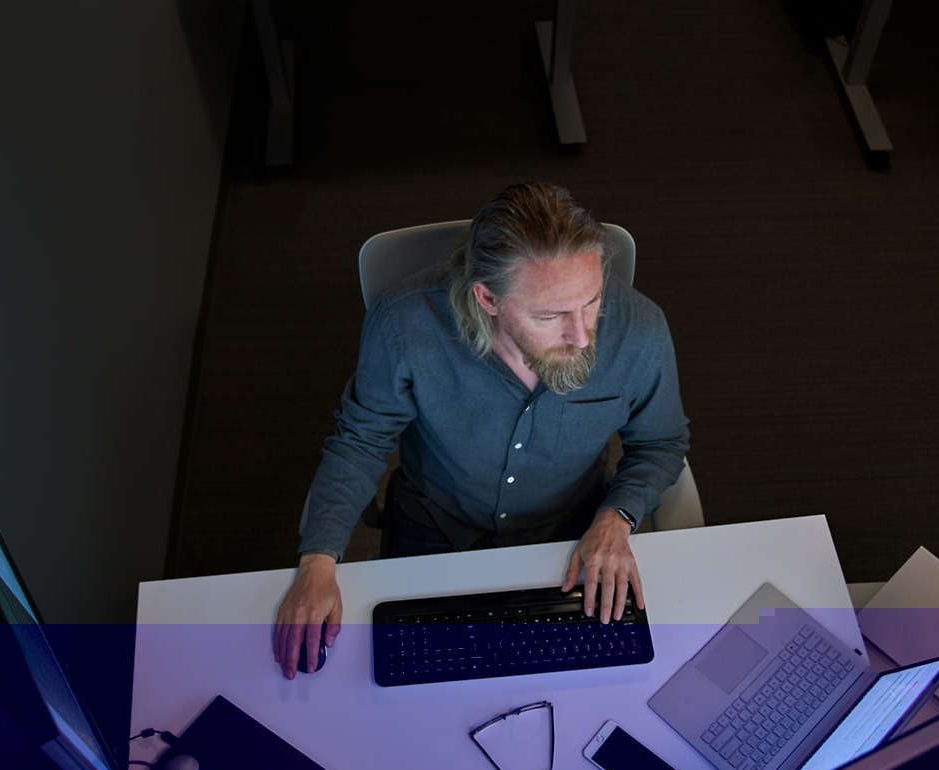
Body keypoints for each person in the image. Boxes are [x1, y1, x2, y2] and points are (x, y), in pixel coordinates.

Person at [275, 181, 689, 679]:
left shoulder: (641, 329)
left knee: (593, 680)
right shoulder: (405, 324)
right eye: (550, 315)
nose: (581, 336)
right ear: (488, 298)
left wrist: (617, 516)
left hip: (573, 533)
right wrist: (317, 561)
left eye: (592, 301)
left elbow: (661, 443)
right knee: (407, 684)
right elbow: (362, 440)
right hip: (435, 523)